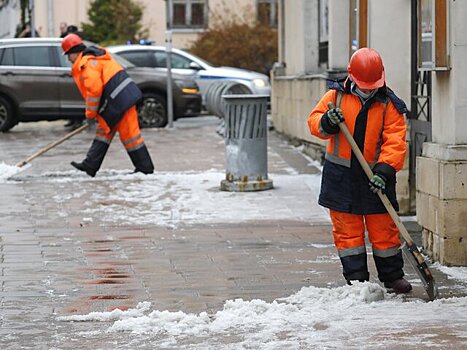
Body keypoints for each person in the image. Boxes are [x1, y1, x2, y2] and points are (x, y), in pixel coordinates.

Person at [307, 47, 412, 294]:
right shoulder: (336, 96)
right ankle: (357, 281)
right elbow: (314, 122)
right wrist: (327, 121)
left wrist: (384, 172)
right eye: (363, 85)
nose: (367, 89)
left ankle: (392, 276)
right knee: (348, 232)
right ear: (352, 77)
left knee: (384, 230)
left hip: (375, 177)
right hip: (341, 177)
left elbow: (395, 142)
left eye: (371, 85)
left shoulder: (389, 104)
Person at [61, 33, 154, 177]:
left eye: (68, 55)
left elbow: (94, 89)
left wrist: (90, 114)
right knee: (104, 131)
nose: (68, 59)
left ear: (74, 52)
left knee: (130, 136)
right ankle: (90, 165)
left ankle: (145, 169)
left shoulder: (87, 64)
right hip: (117, 100)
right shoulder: (94, 58)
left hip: (122, 102)